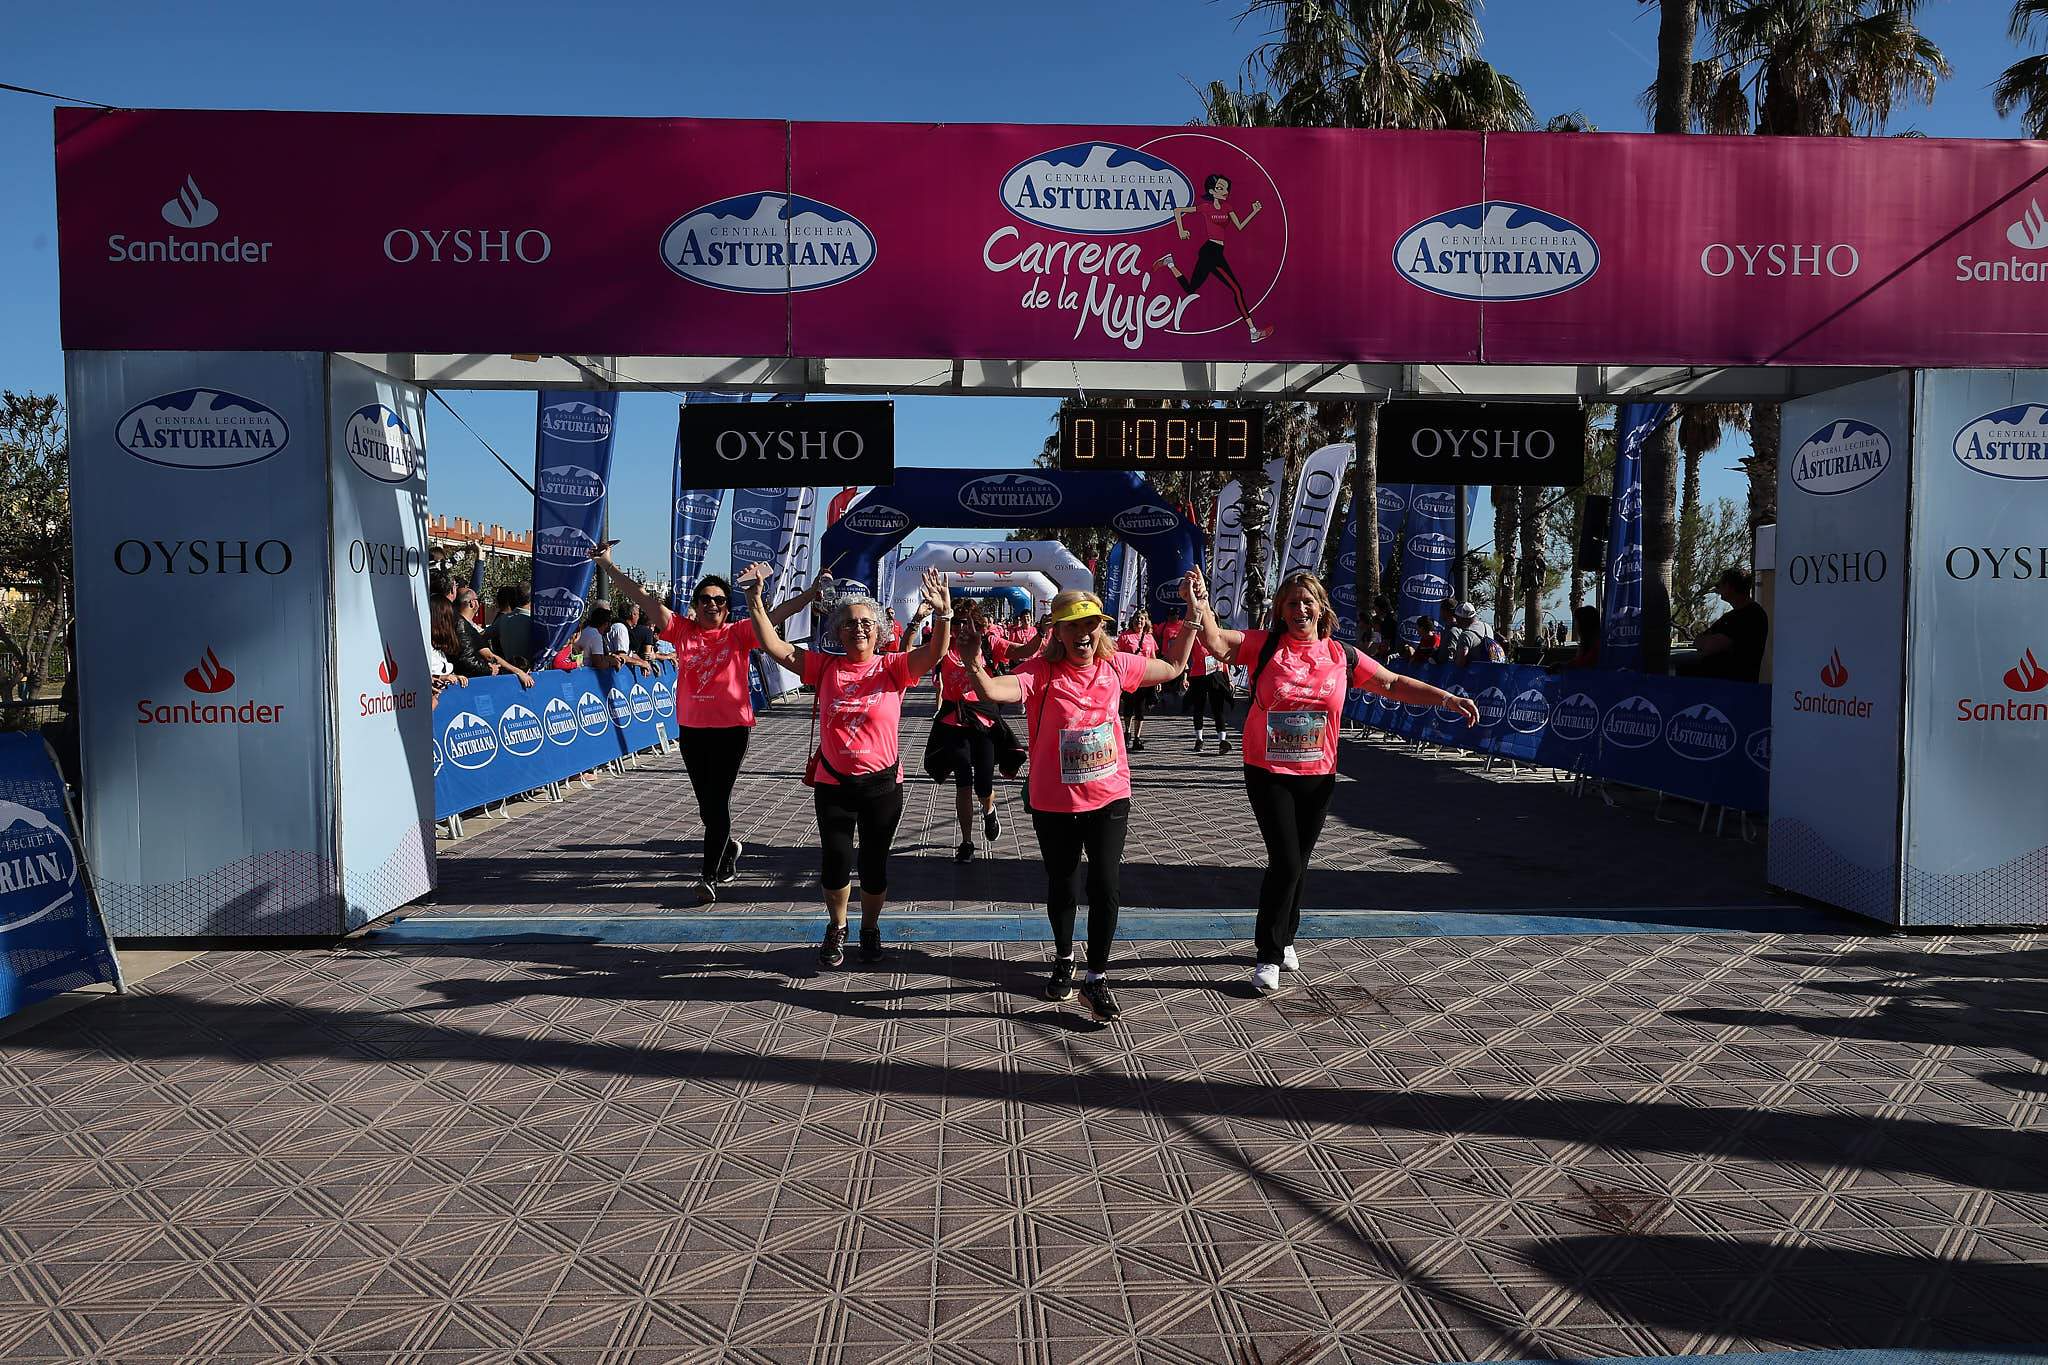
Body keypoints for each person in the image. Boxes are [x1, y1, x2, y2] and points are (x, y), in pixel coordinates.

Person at [1186, 568, 1479, 993]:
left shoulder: (1342, 655)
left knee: (1299, 861)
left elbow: (1393, 683)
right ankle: (1268, 953)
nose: (1300, 609)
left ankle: (1286, 935)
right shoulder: (1264, 645)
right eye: (1292, 603)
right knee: (1286, 860)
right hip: (1268, 771)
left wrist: (1446, 699)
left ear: (1321, 608)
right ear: (1281, 611)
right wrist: (1199, 603)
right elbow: (1215, 642)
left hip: (1319, 774)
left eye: (1307, 602)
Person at [959, 590, 1196, 1024]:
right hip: (1054, 801)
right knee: (1063, 885)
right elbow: (993, 690)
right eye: (1074, 625)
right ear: (1058, 632)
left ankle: (1097, 977)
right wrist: (974, 661)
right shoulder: (1040, 672)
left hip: (1109, 796)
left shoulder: (1117, 664)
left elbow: (1175, 665)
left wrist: (1194, 618)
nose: (1084, 633)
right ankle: (1065, 958)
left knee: (1106, 885)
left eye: (1091, 624)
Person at [746, 561, 951, 967]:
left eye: (866, 623)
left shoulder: (893, 667)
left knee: (873, 866)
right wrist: (754, 600)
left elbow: (935, 652)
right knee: (835, 861)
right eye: (850, 623)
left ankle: (869, 928)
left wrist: (943, 614)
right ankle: (837, 926)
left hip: (882, 787)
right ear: (838, 632)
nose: (859, 628)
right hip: (833, 784)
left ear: (879, 631)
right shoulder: (824, 667)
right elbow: (774, 646)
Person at [592, 546, 824, 903]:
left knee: (716, 803)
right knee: (707, 805)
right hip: (692, 731)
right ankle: (729, 848)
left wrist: (811, 593)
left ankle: (708, 876)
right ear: (696, 605)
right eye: (705, 599)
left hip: (732, 730)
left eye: (719, 600)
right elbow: (642, 597)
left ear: (727, 608)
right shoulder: (681, 630)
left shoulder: (740, 632)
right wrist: (608, 566)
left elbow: (779, 614)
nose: (712, 605)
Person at [926, 599, 1025, 861]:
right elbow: (909, 654)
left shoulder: (989, 644)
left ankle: (989, 810)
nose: (960, 627)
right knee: (963, 783)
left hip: (984, 722)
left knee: (983, 785)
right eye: (956, 622)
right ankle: (966, 841)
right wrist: (918, 622)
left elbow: (1023, 650)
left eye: (966, 622)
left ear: (978, 624)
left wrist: (1043, 631)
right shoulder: (943, 646)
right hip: (953, 722)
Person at [1157, 174, 1272, 344]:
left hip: (1217, 251)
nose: (1225, 191)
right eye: (1220, 188)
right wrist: (1181, 230)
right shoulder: (1206, 207)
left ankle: (1170, 263)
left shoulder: (1227, 207)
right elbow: (1178, 211)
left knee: (1190, 289)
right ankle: (1253, 332)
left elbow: (1240, 226)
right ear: (1211, 191)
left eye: (1226, 188)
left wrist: (1254, 212)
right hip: (1210, 252)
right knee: (1236, 289)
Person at [1682, 567, 1769, 682]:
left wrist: (1705, 642)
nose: (1718, 589)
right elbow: (1701, 639)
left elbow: (1711, 645)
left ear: (1729, 586)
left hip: (1734, 684)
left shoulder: (1751, 615)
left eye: (1720, 585)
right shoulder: (1731, 616)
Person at [460, 587, 534, 687]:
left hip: (507, 674)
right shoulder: (534, 621)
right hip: (529, 675)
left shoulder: (503, 620)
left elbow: (483, 636)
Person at [1114, 609, 1159, 750]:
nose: (1139, 621)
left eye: (1141, 619)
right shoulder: (1125, 636)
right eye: (1136, 619)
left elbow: (1153, 658)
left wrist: (1157, 679)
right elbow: (1117, 656)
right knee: (1128, 706)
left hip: (1145, 677)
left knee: (1140, 708)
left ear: (1146, 622)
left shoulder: (1149, 638)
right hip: (1130, 677)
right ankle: (1127, 733)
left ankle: (1137, 738)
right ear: (1132, 621)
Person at [485, 583, 542, 671]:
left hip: (508, 672)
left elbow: (480, 636)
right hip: (531, 674)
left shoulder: (502, 620)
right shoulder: (535, 622)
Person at [1559, 605, 1602, 671]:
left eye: (1576, 622)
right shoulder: (1590, 643)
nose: (1575, 625)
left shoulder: (1596, 645)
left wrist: (1562, 666)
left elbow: (1582, 664)